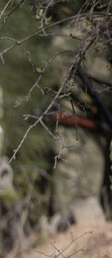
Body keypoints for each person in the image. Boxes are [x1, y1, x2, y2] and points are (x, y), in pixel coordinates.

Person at [48, 20, 111, 228]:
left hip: (99, 124)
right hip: (73, 118)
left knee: (90, 185)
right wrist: (80, 98)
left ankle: (84, 231)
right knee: (69, 176)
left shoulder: (105, 41)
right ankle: (62, 229)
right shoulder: (74, 35)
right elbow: (56, 74)